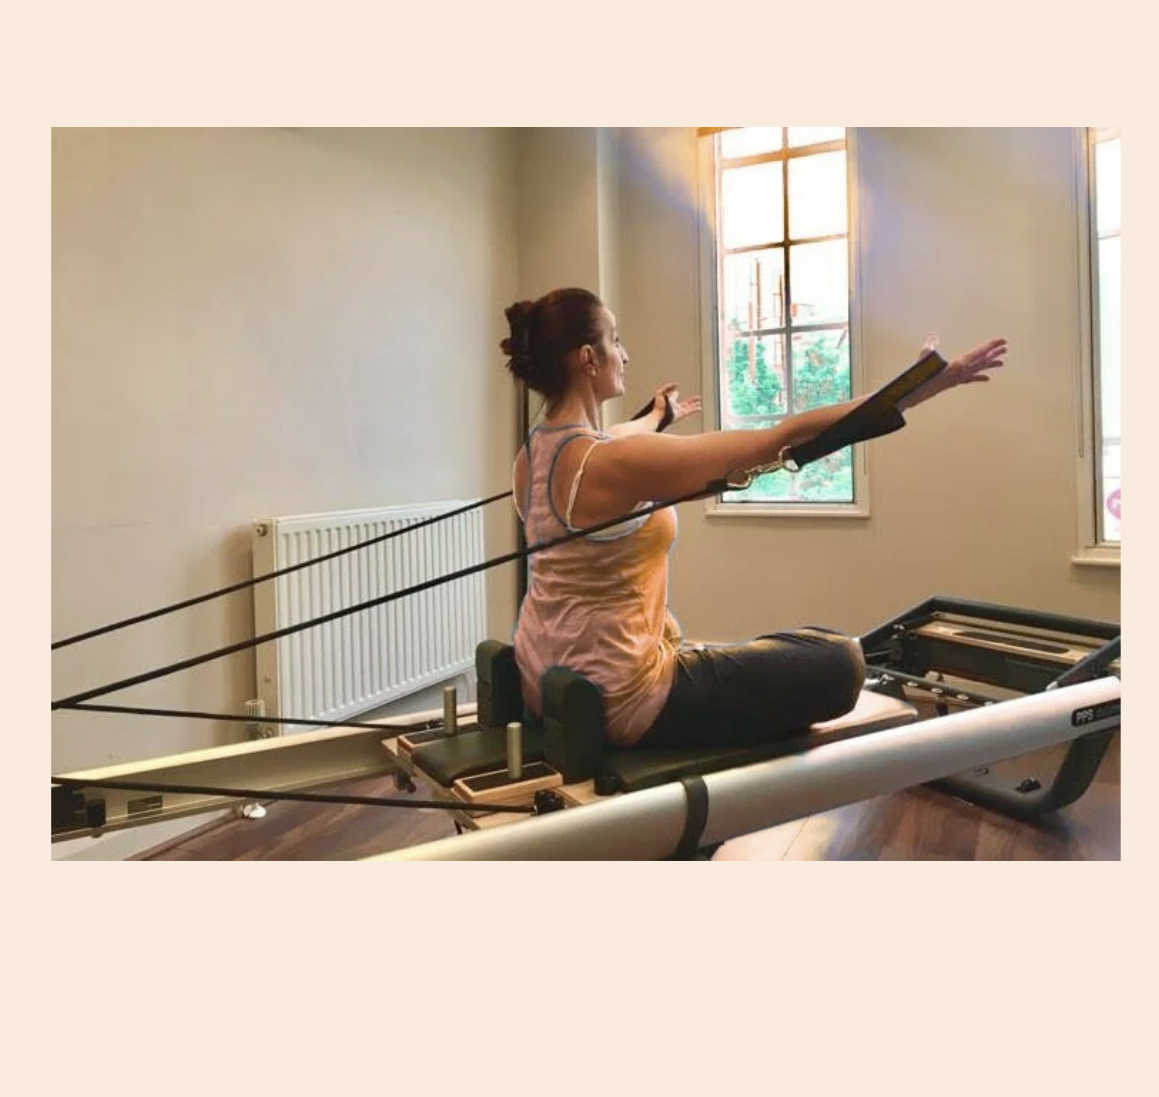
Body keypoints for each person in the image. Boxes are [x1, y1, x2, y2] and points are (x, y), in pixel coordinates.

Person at [501, 287, 1007, 750]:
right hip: (622, 698)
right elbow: (782, 437)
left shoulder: (532, 456)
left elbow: (614, 436)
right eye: (615, 339)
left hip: (543, 675)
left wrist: (659, 416)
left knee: (765, 648)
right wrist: (915, 389)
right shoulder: (614, 465)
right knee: (839, 660)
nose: (625, 352)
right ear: (588, 359)